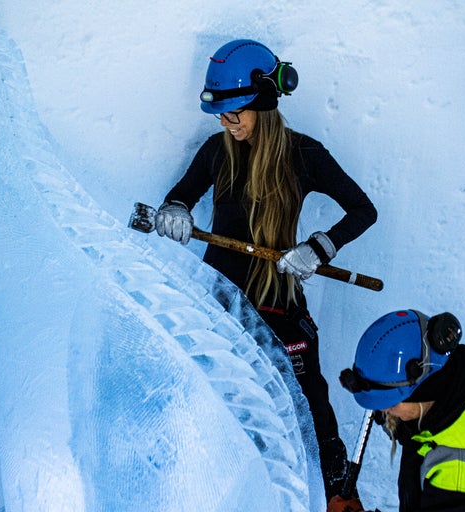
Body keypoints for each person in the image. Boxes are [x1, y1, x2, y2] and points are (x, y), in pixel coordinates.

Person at [154, 39, 377, 500]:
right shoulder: (217, 151)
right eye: (221, 114)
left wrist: (320, 247)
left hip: (279, 302)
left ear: (264, 102)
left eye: (235, 113)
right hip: (217, 303)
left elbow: (363, 209)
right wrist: (175, 211)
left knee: (310, 404)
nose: (227, 123)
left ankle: (336, 497)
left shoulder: (305, 155)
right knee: (222, 402)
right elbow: (181, 195)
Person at [332, 309, 465, 512]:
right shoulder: (457, 391)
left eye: (391, 404)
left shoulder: (459, 477)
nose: (385, 411)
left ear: (421, 395)